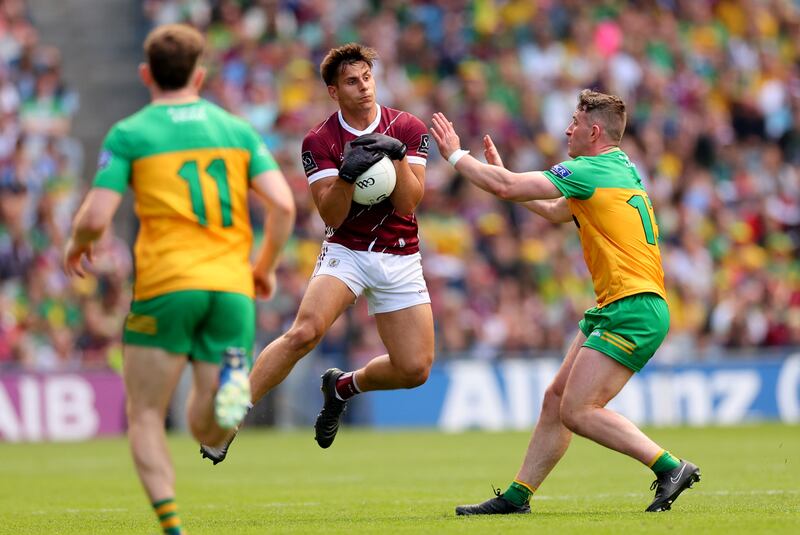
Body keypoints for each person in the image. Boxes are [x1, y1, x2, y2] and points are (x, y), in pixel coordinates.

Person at [63, 24, 295, 535]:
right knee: (207, 424)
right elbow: (282, 204)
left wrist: (77, 242)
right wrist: (264, 268)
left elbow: (97, 216)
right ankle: (236, 380)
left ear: (146, 75)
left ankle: (171, 526)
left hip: (167, 286)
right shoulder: (235, 129)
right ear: (200, 74)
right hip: (231, 288)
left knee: (145, 413)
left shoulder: (131, 133)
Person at [430, 89, 700, 514]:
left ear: (594, 131)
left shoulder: (589, 169)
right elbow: (557, 210)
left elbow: (508, 185)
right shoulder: (618, 167)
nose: (566, 129)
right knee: (557, 398)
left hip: (633, 306)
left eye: (574, 122)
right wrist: (506, 186)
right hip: (620, 303)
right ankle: (518, 497)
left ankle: (668, 466)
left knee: (578, 409)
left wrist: (454, 156)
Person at [200, 42, 434, 462]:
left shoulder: (407, 127)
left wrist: (395, 157)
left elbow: (408, 204)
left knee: (415, 369)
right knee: (304, 331)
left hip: (400, 255)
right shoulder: (320, 140)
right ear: (333, 91)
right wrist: (347, 176)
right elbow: (332, 214)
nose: (363, 87)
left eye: (366, 78)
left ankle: (343, 386)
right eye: (351, 81)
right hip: (348, 251)